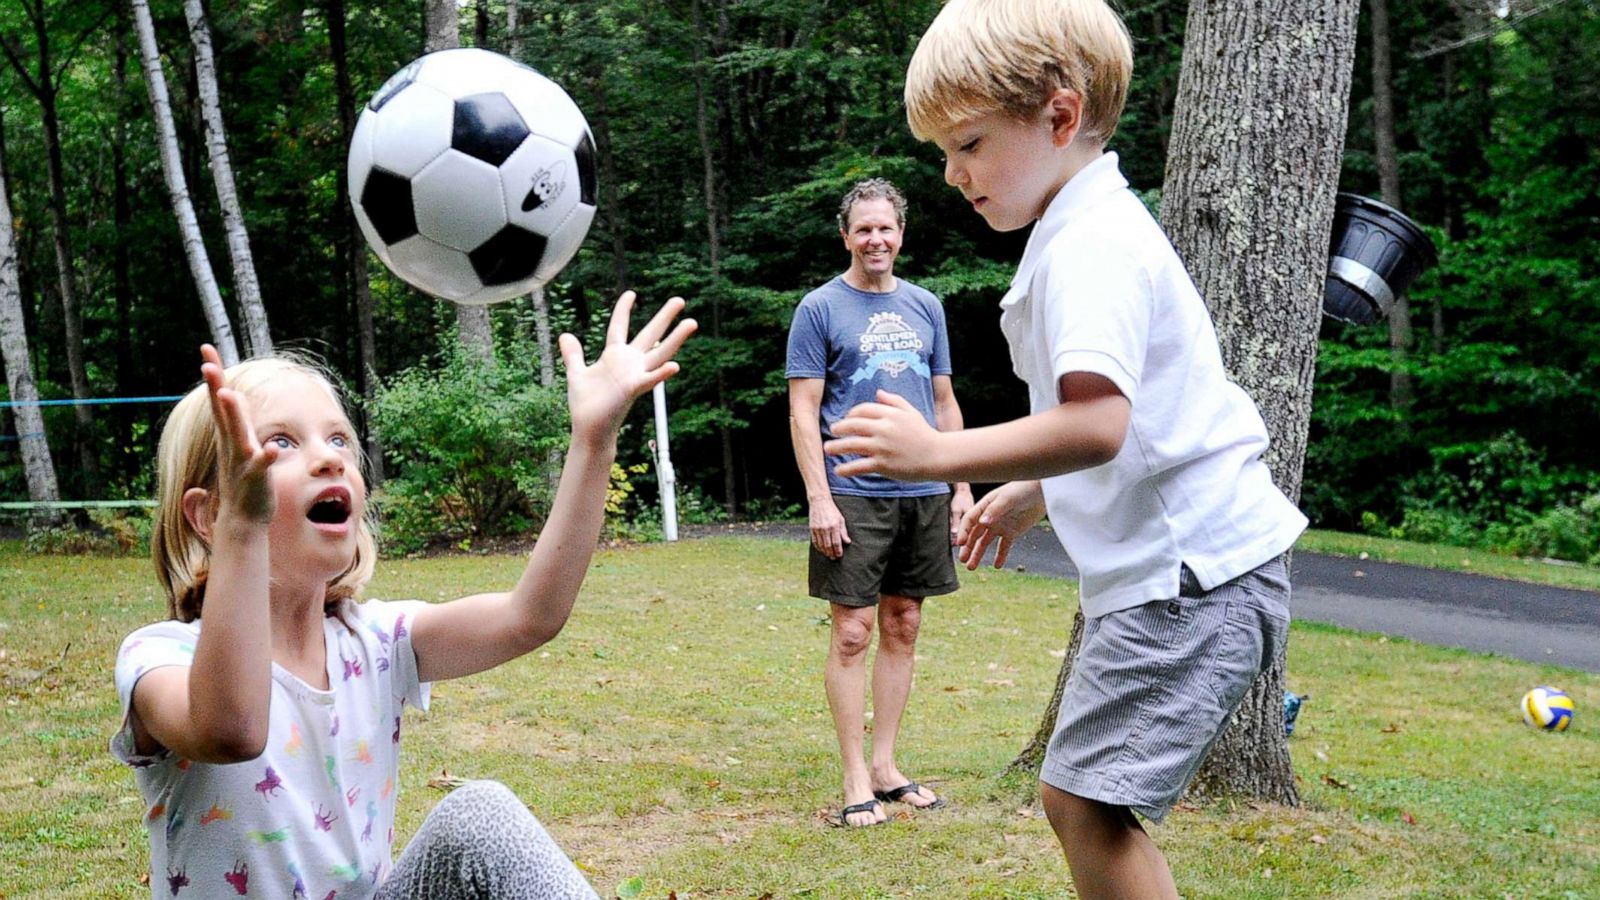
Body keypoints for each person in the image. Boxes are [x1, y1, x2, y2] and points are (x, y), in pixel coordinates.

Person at [825, 0, 1309, 894]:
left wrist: (935, 454)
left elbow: (1099, 423)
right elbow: (1143, 419)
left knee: (1084, 802)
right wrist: (1034, 490)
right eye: (942, 152)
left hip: (1190, 577)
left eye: (967, 144)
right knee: (1080, 798)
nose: (949, 174)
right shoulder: (1080, 230)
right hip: (1188, 576)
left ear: (1059, 114)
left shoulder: (1092, 243)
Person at [111, 293, 695, 899]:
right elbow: (231, 730)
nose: (326, 459)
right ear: (206, 515)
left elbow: (532, 616)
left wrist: (593, 443)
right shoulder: (158, 658)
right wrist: (244, 527)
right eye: (280, 443)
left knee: (479, 815)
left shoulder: (379, 643)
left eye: (339, 440)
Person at [786, 178, 973, 828]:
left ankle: (888, 767)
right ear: (847, 236)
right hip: (854, 494)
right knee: (852, 632)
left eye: (885, 228)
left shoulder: (926, 306)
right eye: (863, 229)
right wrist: (819, 498)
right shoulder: (819, 309)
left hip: (923, 493)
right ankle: (854, 778)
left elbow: (944, 403)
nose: (876, 239)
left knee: (903, 626)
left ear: (901, 233)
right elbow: (803, 410)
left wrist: (962, 487)